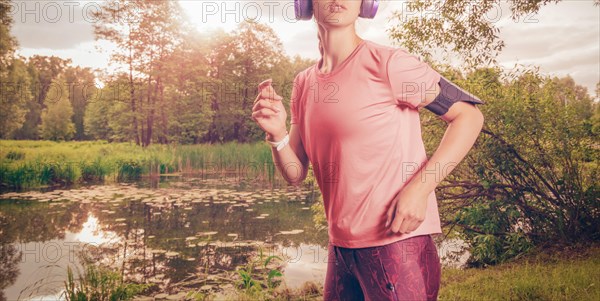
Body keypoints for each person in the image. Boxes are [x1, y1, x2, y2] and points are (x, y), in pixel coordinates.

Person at [251, 0, 485, 300]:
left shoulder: (390, 64)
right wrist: (277, 134)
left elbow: (468, 116)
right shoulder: (304, 83)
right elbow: (295, 173)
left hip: (396, 242)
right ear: (305, 3)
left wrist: (420, 190)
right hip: (342, 249)